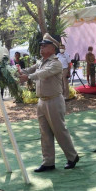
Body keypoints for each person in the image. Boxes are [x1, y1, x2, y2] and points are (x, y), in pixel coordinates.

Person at [19, 33, 79, 172]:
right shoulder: (41, 61)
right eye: (41, 45)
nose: (41, 47)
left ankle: (72, 156)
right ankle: (48, 162)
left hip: (54, 100)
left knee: (59, 131)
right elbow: (29, 70)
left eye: (44, 46)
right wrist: (17, 71)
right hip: (42, 101)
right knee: (44, 132)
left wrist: (28, 77)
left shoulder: (56, 63)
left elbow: (42, 74)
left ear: (53, 48)